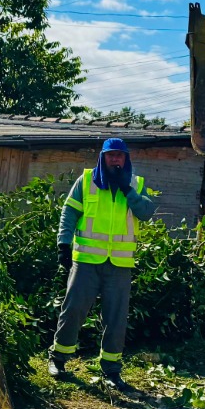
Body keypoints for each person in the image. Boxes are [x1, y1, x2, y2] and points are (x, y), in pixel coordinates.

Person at [47, 138, 158, 390]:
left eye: (120, 156)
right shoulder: (86, 181)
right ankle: (58, 359)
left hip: (119, 264)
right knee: (73, 310)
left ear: (126, 158)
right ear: (102, 158)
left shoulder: (136, 184)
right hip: (86, 261)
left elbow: (146, 213)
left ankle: (111, 370)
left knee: (116, 319)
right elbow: (69, 212)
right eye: (111, 156)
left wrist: (128, 191)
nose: (115, 160)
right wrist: (63, 244)